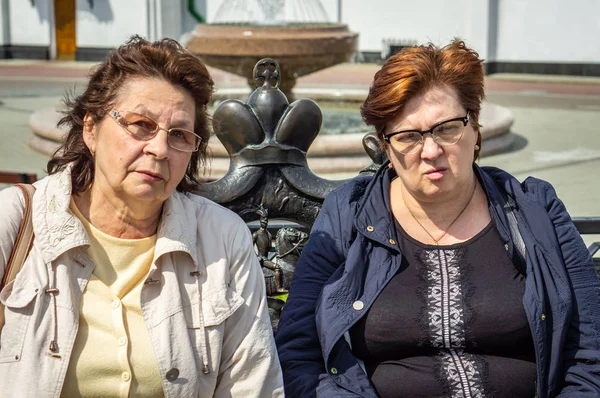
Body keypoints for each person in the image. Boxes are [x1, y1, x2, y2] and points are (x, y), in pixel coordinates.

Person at [275, 39, 600, 397]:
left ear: (475, 128)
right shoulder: (347, 215)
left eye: (447, 128)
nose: (430, 151)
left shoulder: (534, 209)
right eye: (408, 136)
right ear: (386, 146)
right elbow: (298, 354)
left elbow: (588, 354)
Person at [0, 36, 283, 397]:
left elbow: (252, 385)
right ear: (91, 128)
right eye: (140, 124)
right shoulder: (16, 221)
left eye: (179, 135)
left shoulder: (221, 239)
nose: (160, 148)